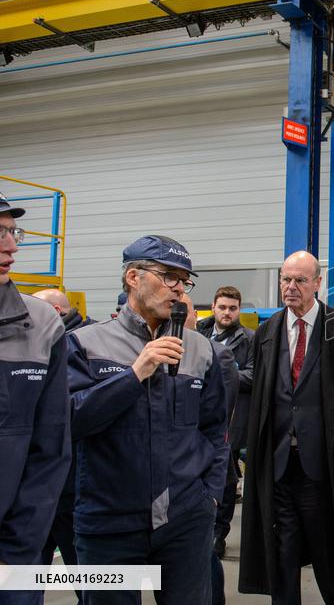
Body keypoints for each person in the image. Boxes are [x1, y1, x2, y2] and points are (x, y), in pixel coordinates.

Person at [67, 235, 228, 605]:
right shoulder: (85, 344)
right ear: (133, 277)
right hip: (109, 522)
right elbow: (72, 421)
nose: (177, 287)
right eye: (167, 275)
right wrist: (135, 373)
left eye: (184, 279)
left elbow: (215, 429)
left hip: (185, 520)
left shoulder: (201, 350)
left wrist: (210, 498)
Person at [239, 251, 334, 605]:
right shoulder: (266, 333)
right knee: (281, 558)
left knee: (332, 557)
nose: (291, 287)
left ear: (317, 283)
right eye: (286, 279)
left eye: (299, 280)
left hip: (324, 470)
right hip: (279, 467)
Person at [0, 196, 71, 605]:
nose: (12, 246)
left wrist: (18, 550)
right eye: (0, 233)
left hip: (15, 552)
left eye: (14, 233)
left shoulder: (43, 325)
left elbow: (50, 451)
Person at [177, 294, 240, 605]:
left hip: (196, 482)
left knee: (202, 563)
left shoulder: (217, 355)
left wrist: (210, 491)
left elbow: (218, 426)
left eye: (182, 306)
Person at [33, 289, 92, 605]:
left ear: (55, 311)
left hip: (71, 487)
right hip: (35, 488)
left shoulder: (79, 346)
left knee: (84, 574)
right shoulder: (39, 342)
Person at [196, 286, 255, 557]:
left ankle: (219, 533)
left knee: (226, 480)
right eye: (222, 307)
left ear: (239, 309)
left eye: (233, 308)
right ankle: (200, 528)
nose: (227, 313)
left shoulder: (249, 339)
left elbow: (253, 376)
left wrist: (223, 371)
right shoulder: (199, 333)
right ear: (214, 307)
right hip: (198, 418)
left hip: (232, 419)